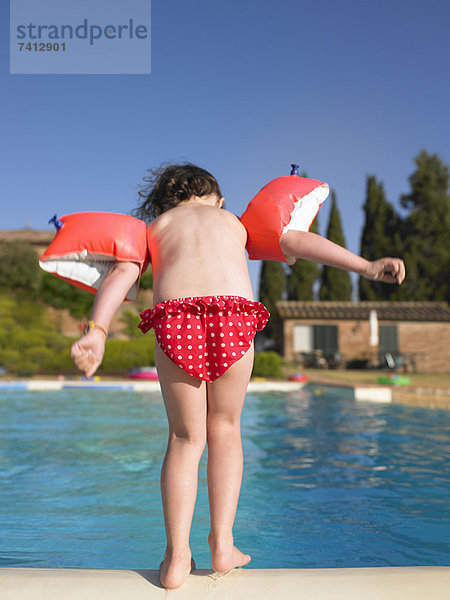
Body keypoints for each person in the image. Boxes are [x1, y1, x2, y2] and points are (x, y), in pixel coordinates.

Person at [70, 163, 405, 589]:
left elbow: (123, 273)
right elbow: (298, 240)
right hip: (233, 316)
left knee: (184, 438)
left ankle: (176, 556)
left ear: (165, 202)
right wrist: (367, 267)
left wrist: (97, 332)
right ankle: (223, 544)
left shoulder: (154, 229)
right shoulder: (237, 222)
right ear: (218, 199)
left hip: (178, 320)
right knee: (225, 429)